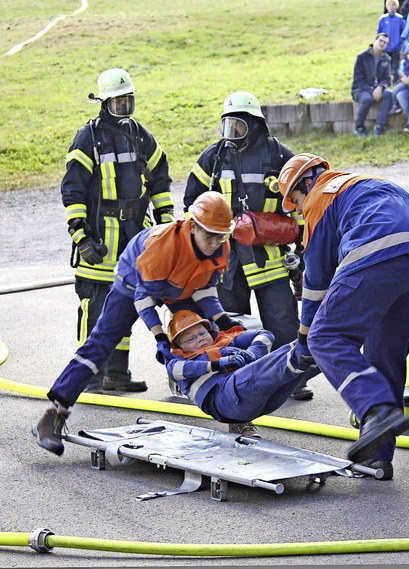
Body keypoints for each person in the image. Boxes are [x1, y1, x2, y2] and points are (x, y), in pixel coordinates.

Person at [32, 193, 249, 456]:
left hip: (177, 286)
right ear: (192, 226)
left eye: (220, 236)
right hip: (134, 282)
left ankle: (237, 416)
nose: (215, 243)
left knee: (207, 336)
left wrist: (221, 320)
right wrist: (160, 337)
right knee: (101, 344)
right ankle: (54, 415)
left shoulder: (219, 245)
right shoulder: (163, 246)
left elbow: (204, 288)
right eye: (209, 236)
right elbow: (143, 298)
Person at [277, 153, 409, 479]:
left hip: (377, 250)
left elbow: (316, 282)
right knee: (385, 356)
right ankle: (376, 459)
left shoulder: (319, 198)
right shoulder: (367, 183)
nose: (297, 211)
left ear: (304, 184)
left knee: (326, 337)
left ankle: (376, 411)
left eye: (294, 202)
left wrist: (304, 338)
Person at [183, 92, 311, 401]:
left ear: (254, 124)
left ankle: (292, 379)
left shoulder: (279, 156)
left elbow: (300, 207)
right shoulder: (213, 157)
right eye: (227, 125)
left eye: (238, 125)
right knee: (230, 320)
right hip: (227, 259)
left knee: (282, 320)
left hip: (269, 256)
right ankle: (235, 379)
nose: (232, 133)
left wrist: (304, 249)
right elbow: (192, 202)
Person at [62, 68, 174, 394]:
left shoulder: (141, 136)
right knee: (95, 308)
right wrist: (80, 236)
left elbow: (160, 181)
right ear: (104, 102)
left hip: (133, 238)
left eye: (128, 100)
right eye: (118, 101)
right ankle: (90, 377)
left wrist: (165, 223)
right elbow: (73, 191)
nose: (124, 107)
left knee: (124, 307)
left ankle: (116, 374)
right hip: (98, 241)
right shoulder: (88, 139)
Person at [164, 310, 320, 437]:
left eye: (202, 333)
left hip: (264, 401)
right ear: (180, 345)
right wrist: (219, 363)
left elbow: (265, 335)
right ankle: (304, 352)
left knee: (302, 357)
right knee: (282, 362)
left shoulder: (224, 340)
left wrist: (253, 352)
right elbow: (176, 370)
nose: (199, 339)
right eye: (191, 338)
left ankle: (318, 346)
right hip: (227, 403)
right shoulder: (179, 360)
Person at [351, 33, 394, 137]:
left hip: (378, 88)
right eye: (380, 41)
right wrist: (372, 90)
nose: (382, 44)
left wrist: (380, 87)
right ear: (375, 41)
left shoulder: (386, 59)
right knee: (367, 99)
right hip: (361, 89)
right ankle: (359, 128)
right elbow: (358, 79)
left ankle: (379, 125)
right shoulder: (362, 57)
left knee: (389, 94)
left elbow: (387, 79)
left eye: (385, 43)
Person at [377, 0, 406, 84]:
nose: (391, 6)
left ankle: (396, 81)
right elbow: (379, 32)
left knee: (396, 65)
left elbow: (403, 32)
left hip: (396, 47)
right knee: (385, 65)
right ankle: (385, 81)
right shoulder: (383, 19)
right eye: (389, 5)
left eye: (393, 4)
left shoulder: (400, 18)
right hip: (385, 47)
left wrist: (400, 42)